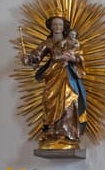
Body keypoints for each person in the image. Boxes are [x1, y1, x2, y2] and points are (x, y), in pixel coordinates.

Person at [20, 14, 89, 148]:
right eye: (55, 24)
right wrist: (28, 59)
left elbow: (80, 56)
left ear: (64, 27)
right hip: (53, 75)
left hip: (67, 75)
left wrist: (72, 58)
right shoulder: (48, 42)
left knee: (68, 101)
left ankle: (67, 133)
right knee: (49, 100)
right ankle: (52, 132)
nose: (57, 26)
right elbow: (36, 55)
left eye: (60, 24)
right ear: (51, 27)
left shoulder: (71, 41)